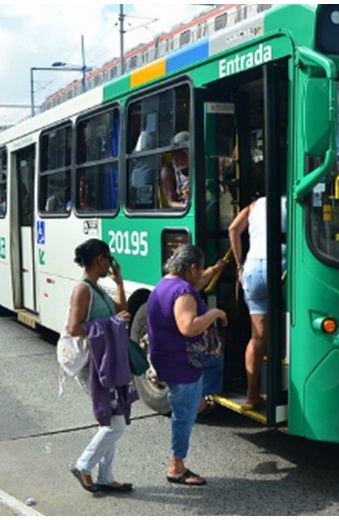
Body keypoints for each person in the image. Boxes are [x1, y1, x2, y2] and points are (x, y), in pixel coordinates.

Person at [147, 244, 228, 486]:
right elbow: (188, 326)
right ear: (191, 267)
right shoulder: (183, 292)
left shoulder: (166, 283)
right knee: (184, 415)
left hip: (166, 358)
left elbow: (197, 283)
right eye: (200, 268)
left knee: (186, 408)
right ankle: (176, 467)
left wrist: (215, 269)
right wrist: (215, 313)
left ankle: (201, 403)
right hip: (182, 364)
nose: (201, 272)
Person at [67, 238, 136, 494]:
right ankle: (83, 466)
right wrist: (112, 323)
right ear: (100, 259)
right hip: (94, 365)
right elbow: (74, 328)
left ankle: (105, 476)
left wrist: (119, 282)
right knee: (114, 424)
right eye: (109, 259)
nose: (111, 264)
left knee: (109, 420)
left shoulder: (98, 288)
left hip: (107, 362)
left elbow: (122, 311)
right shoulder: (83, 289)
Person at [229, 195, 286, 410]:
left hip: (252, 269)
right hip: (280, 265)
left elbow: (233, 229)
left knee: (257, 337)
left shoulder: (253, 205)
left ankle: (252, 394)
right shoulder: (294, 201)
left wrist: (239, 265)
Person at [160, 131, 191, 208]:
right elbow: (171, 202)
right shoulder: (168, 171)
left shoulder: (200, 167)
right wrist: (189, 207)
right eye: (173, 154)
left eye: (180, 154)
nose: (175, 158)